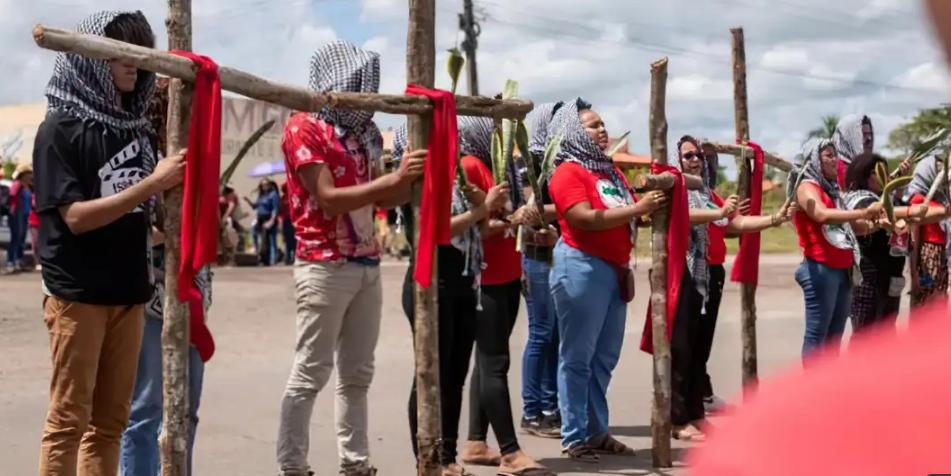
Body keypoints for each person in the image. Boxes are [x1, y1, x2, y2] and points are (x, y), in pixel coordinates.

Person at [33, 10, 185, 476]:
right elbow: (75, 218)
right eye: (119, 52)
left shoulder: (134, 130)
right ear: (92, 58)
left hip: (130, 294)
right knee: (68, 422)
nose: (132, 63)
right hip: (78, 294)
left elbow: (137, 219)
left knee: (110, 425)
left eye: (139, 53)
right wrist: (151, 185)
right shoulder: (59, 129)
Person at [275, 40, 424, 476]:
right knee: (311, 371)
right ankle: (292, 465)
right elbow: (329, 199)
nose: (366, 91)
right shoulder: (303, 127)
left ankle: (355, 464)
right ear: (337, 82)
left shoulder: (367, 133)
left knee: (358, 374)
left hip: (366, 263)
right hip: (324, 263)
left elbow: (385, 194)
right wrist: (394, 181)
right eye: (358, 83)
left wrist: (412, 177)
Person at [546, 98, 664, 461]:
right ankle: (574, 436)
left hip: (613, 270)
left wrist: (644, 214)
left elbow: (621, 213)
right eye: (592, 126)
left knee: (604, 358)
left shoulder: (609, 172)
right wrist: (638, 209)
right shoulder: (569, 172)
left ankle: (596, 430)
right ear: (572, 134)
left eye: (601, 124)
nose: (602, 130)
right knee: (577, 357)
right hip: (581, 266)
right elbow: (582, 217)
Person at [390, 125, 510, 476]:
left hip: (462, 282)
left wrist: (483, 204)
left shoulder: (455, 180)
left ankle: (447, 455)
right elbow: (435, 227)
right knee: (430, 375)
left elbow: (478, 228)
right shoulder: (414, 180)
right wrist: (480, 209)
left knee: (454, 376)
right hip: (431, 285)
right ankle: (426, 458)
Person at [674, 136, 795, 439]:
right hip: (686, 273)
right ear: (677, 161)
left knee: (700, 350)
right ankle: (676, 420)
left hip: (711, 274)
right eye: (688, 156)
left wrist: (772, 219)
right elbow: (683, 219)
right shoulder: (675, 190)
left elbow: (734, 224)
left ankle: (695, 414)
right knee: (682, 350)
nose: (695, 161)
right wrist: (719, 213)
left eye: (698, 156)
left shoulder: (707, 193)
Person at [118, 84, 211, 476]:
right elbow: (133, 227)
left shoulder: (194, 160)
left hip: (191, 294)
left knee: (186, 407)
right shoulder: (141, 157)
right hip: (152, 294)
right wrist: (171, 229)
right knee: (146, 408)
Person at [454, 116, 551, 476]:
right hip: (488, 279)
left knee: (487, 362)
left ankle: (476, 441)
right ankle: (510, 452)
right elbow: (479, 228)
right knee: (495, 363)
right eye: (493, 130)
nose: (500, 136)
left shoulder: (493, 165)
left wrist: (521, 223)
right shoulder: (471, 166)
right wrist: (516, 220)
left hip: (505, 275)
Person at [792, 139, 880, 359]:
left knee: (834, 338)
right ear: (814, 159)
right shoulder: (806, 187)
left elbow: (853, 229)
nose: (835, 160)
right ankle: (813, 390)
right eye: (828, 155)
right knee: (817, 335)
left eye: (835, 155)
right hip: (821, 269)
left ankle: (827, 389)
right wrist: (863, 212)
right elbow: (821, 215)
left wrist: (881, 223)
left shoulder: (832, 191)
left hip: (842, 270)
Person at [511, 102, 564, 439]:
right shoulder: (528, 163)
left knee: (555, 335)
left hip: (556, 254)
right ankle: (532, 410)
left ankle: (549, 405)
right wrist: (567, 211)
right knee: (542, 332)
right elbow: (527, 213)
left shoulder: (558, 162)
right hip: (536, 256)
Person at [842, 153, 924, 331]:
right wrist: (914, 211)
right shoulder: (859, 198)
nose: (884, 176)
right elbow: (888, 213)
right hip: (870, 278)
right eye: (877, 172)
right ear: (863, 174)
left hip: (893, 276)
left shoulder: (888, 198)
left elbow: (898, 217)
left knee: (886, 336)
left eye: (885, 171)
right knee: (865, 334)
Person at [904, 155, 950, 307]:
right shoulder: (918, 200)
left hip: (940, 256)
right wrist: (914, 274)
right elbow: (914, 239)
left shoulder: (941, 198)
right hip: (928, 258)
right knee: (925, 307)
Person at [831, 114, 874, 188]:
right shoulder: (840, 169)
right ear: (849, 138)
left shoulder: (861, 167)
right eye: (863, 135)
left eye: (870, 134)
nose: (869, 139)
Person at [5, 163, 33, 273]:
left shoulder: (28, 186)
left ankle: (18, 261)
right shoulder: (17, 184)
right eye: (29, 173)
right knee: (15, 238)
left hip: (25, 214)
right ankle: (10, 262)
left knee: (21, 239)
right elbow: (12, 197)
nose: (31, 175)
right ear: (23, 174)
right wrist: (13, 209)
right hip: (16, 214)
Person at [253, 178, 279, 266]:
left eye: (266, 184)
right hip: (260, 220)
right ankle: (263, 259)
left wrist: (272, 220)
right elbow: (256, 207)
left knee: (272, 239)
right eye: (263, 185)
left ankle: (273, 260)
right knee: (263, 240)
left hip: (269, 218)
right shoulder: (261, 195)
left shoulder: (273, 195)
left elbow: (275, 208)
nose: (264, 186)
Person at [279, 181, 296, 265]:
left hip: (293, 221)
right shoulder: (284, 198)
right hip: (286, 220)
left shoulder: (293, 196)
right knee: (288, 240)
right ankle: (288, 257)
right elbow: (280, 209)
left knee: (294, 240)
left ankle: (293, 257)